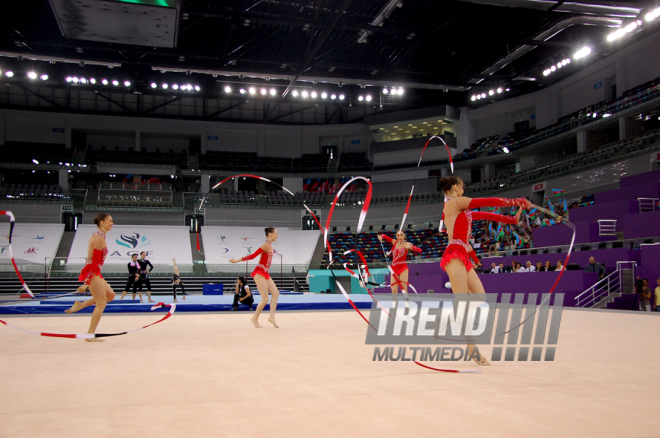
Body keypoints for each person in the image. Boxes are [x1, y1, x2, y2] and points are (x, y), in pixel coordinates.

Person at [439, 176, 531, 366]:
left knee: (480, 297)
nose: (463, 190)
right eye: (462, 186)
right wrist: (514, 201)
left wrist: (513, 217)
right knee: (463, 304)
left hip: (463, 256)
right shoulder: (454, 203)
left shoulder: (462, 211)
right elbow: (487, 202)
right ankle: (472, 350)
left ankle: (454, 315)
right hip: (454, 255)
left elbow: (490, 215)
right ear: (455, 187)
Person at [64, 213, 116, 342]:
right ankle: (90, 334)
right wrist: (87, 283)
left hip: (95, 272)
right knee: (102, 302)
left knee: (110, 296)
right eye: (110, 221)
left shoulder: (98, 236)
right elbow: (92, 262)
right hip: (93, 272)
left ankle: (80, 305)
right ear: (102, 222)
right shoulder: (99, 239)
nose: (112, 223)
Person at [229, 227, 280, 328]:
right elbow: (253, 256)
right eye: (276, 233)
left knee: (275, 293)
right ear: (270, 234)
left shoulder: (270, 245)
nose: (277, 235)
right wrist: (237, 260)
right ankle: (255, 318)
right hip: (259, 273)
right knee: (265, 298)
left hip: (265, 273)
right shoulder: (265, 245)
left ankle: (272, 317)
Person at [378, 230, 422, 295]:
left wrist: (411, 247)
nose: (400, 236)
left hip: (403, 268)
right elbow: (384, 236)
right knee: (394, 291)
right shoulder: (394, 242)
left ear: (404, 236)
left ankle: (407, 305)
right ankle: (394, 305)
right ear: (396, 236)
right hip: (394, 268)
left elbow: (420, 250)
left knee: (404, 290)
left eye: (401, 235)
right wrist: (380, 236)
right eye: (398, 235)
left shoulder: (406, 244)